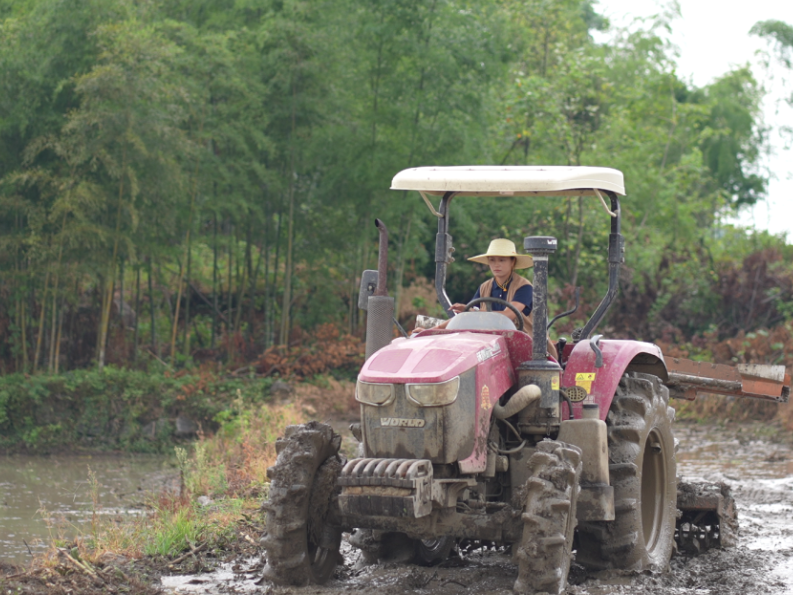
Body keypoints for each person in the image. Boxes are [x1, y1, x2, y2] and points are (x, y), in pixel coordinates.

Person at [416, 238, 557, 359]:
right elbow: (466, 316)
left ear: (512, 262)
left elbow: (509, 315)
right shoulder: (485, 287)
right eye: (492, 260)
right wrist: (433, 330)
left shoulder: (524, 287)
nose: (496, 264)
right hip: (491, 345)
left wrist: (474, 313)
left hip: (525, 347)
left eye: (502, 260)